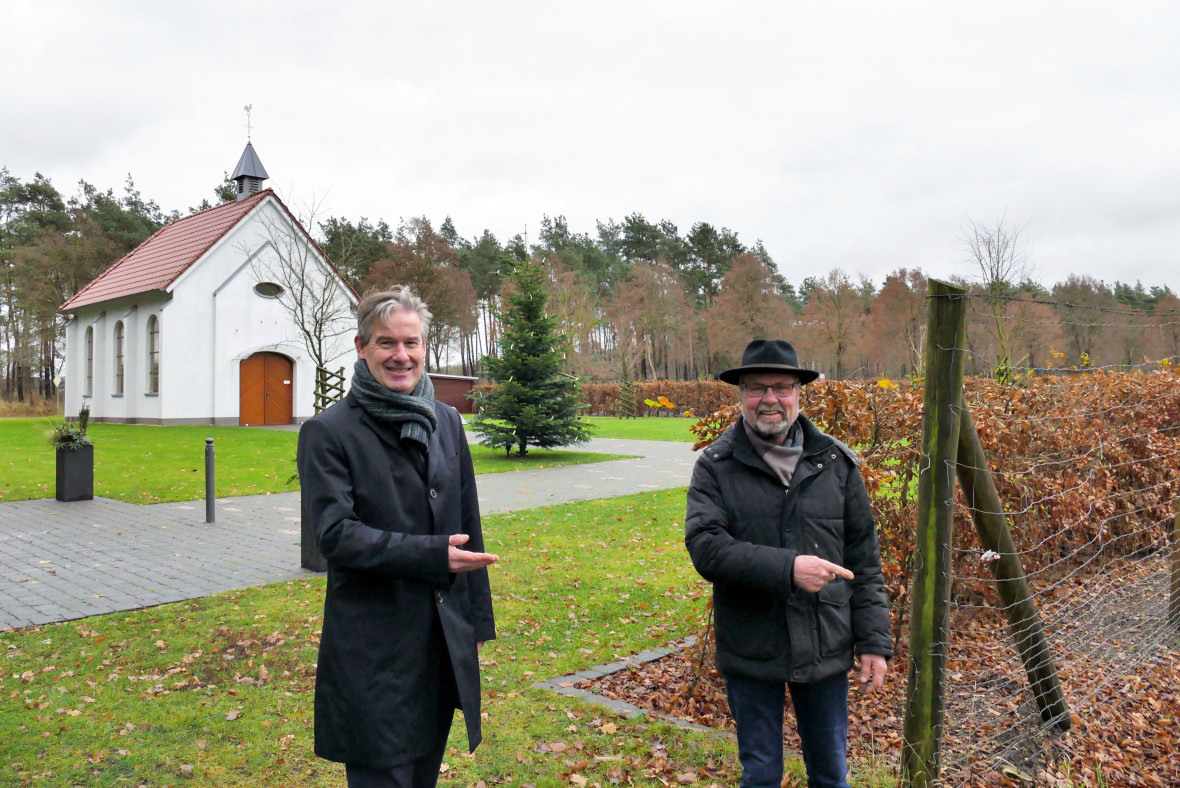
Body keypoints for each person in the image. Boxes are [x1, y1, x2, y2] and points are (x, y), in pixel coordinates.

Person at [297, 286, 498, 788]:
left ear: (426, 347)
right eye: (386, 343)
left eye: (412, 343)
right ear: (362, 347)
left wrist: (473, 626)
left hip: (437, 642)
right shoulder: (329, 432)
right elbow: (335, 535)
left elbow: (466, 523)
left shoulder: (447, 421)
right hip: (374, 649)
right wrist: (431, 554)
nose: (401, 356)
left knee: (424, 772)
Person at [684, 339, 892, 788]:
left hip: (825, 645)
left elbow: (864, 560)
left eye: (782, 386)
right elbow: (705, 546)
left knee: (832, 774)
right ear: (741, 394)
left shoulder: (836, 464)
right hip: (751, 645)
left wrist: (874, 641)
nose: (770, 399)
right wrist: (788, 569)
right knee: (760, 774)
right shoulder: (716, 466)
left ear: (800, 391)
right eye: (758, 388)